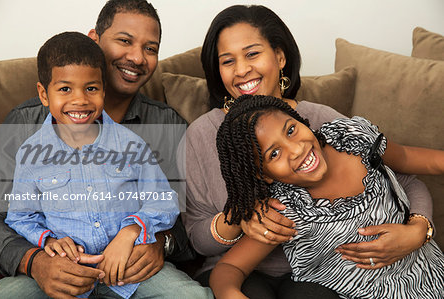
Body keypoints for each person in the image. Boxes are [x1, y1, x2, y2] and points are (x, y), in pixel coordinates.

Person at [179, 4, 435, 298]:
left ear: (279, 56)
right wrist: (238, 217)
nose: (241, 70)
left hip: (320, 272)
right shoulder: (201, 134)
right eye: (227, 61)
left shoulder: (322, 121)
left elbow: (402, 180)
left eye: (252, 54)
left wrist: (419, 229)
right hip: (235, 268)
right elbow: (197, 241)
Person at [0, 0, 212, 298]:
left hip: (130, 272)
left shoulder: (160, 127)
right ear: (94, 41)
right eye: (124, 40)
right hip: (57, 269)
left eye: (150, 48)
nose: (137, 57)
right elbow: (10, 214)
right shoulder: (25, 129)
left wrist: (156, 239)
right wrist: (36, 259)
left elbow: (183, 211)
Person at [210, 94, 444, 299]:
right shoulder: (286, 210)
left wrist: (419, 229)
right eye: (275, 153)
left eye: (291, 130)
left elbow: (404, 156)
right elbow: (228, 268)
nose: (297, 149)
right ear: (265, 176)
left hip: (434, 274)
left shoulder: (354, 138)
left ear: (301, 121)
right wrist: (231, 294)